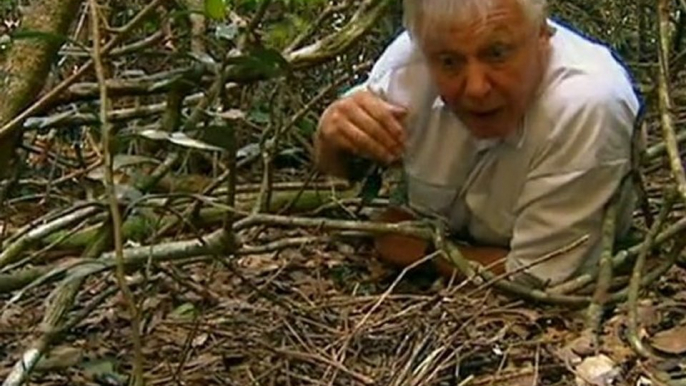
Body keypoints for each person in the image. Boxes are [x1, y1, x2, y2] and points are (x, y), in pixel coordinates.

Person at [312, 0, 641, 287]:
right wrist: (331, 136)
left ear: (543, 35)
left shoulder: (587, 104)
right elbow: (344, 169)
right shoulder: (411, 64)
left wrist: (423, 252)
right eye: (450, 62)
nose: (476, 89)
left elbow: (540, 278)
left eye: (496, 54)